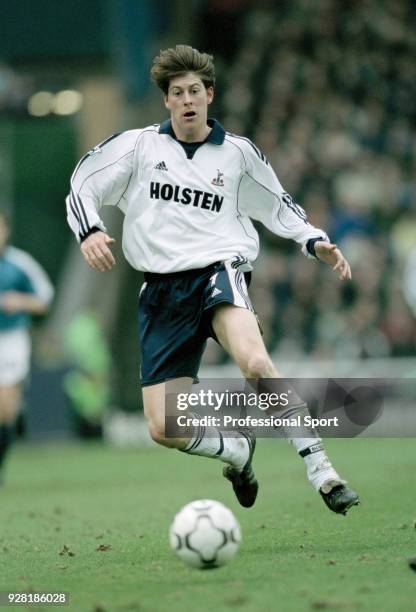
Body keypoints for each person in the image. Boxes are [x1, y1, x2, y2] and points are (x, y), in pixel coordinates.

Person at [66, 45, 359, 514]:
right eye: (177, 92)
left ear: (210, 96)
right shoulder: (139, 146)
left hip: (219, 274)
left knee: (256, 364)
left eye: (195, 91)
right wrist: (90, 230)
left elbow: (277, 204)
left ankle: (323, 472)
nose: (187, 100)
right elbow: (84, 181)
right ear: (166, 100)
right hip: (161, 291)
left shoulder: (238, 154)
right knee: (164, 429)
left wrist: (313, 240)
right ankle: (237, 450)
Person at [0, 209, 54, 482]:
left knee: (5, 408)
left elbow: (44, 299)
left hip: (10, 340)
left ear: (6, 231)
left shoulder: (20, 263)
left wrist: (19, 301)